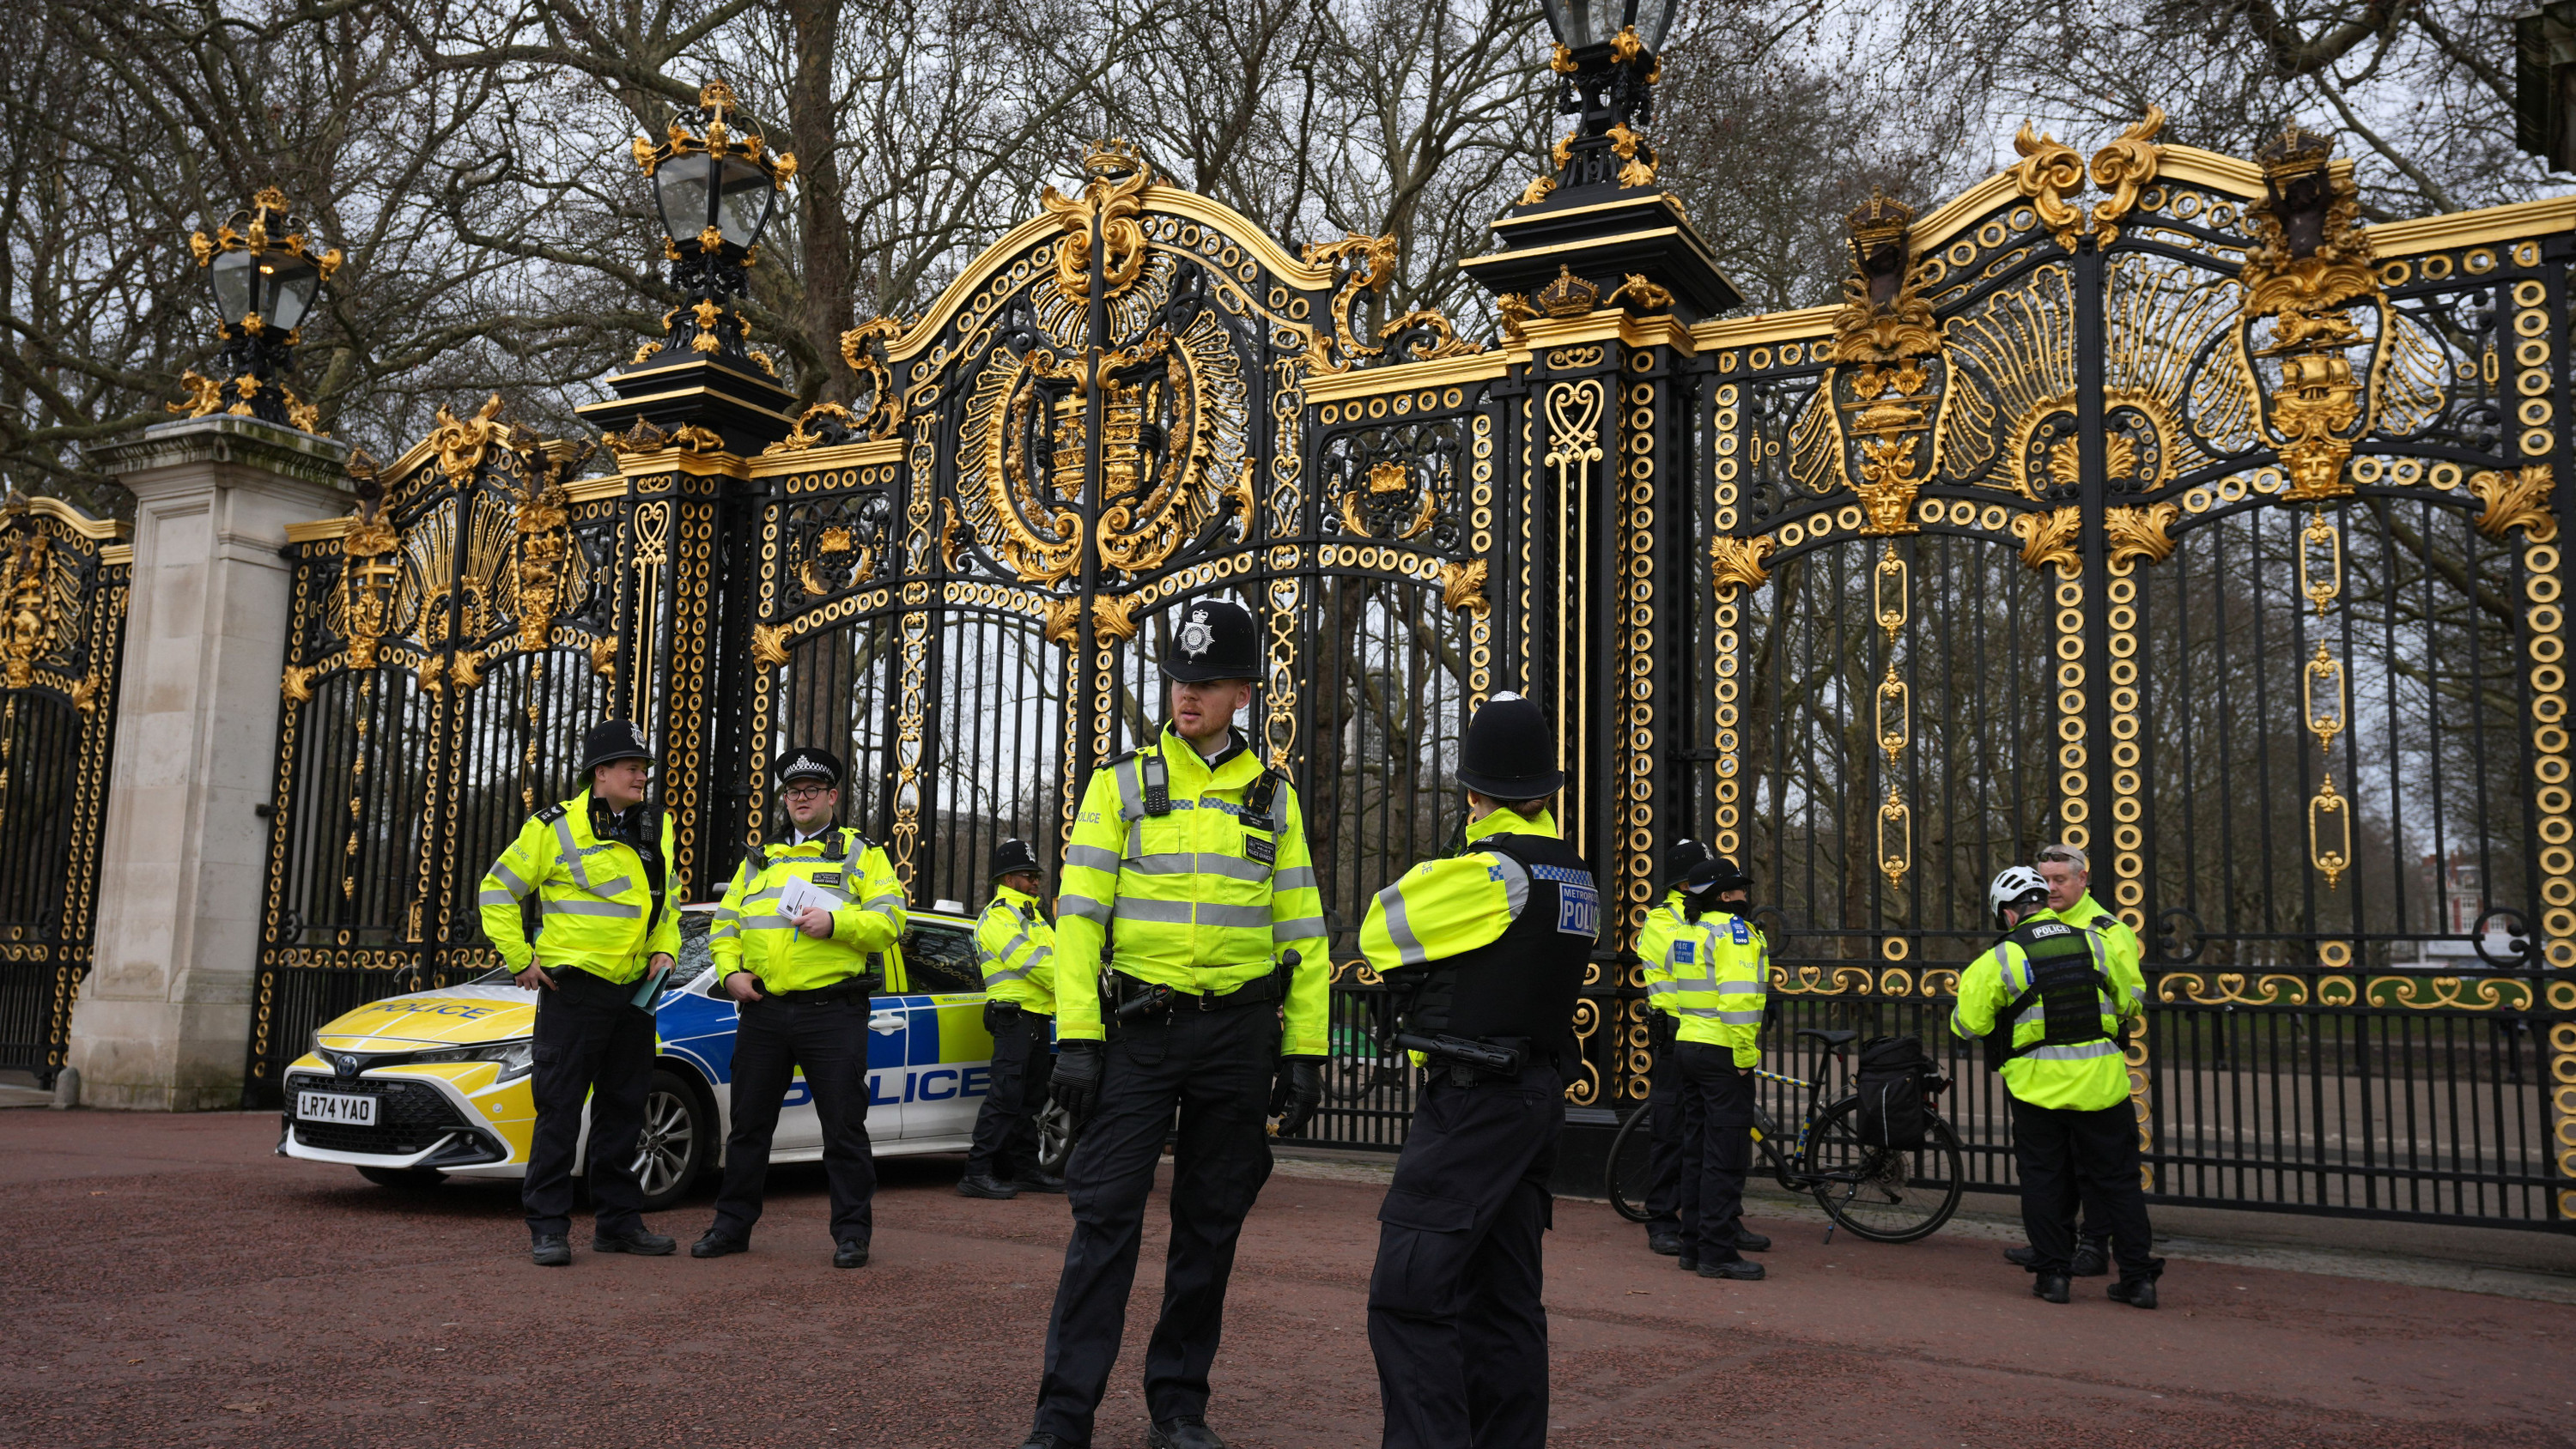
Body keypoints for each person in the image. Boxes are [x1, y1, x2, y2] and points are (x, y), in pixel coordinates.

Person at [1018, 597, 1330, 1449]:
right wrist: (1077, 1038)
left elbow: (1303, 931)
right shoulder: (1118, 785)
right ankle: (1062, 1416)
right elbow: (1078, 921)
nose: (1187, 695)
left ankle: (1179, 1408)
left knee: (1210, 1226)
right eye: (1179, 679)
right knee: (1104, 1218)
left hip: (1239, 1035)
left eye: (1207, 682)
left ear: (1242, 694)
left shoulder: (1273, 798)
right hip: (1141, 1030)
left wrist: (1305, 1050)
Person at [1355, 693, 1596, 1449]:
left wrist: (1452, 863)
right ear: (1547, 790)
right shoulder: (1573, 873)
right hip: (1532, 1100)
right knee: (1504, 1304)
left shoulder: (1494, 873)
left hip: (1473, 1101)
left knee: (1407, 1294)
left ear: (1472, 791)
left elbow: (1380, 929)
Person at [690, 748, 906, 1269]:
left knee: (844, 1128)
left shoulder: (861, 853)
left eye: (811, 790)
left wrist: (838, 924)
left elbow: (892, 921)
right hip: (764, 1010)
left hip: (832, 1011)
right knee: (748, 1127)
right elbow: (725, 925)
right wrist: (729, 973)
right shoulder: (759, 859)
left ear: (833, 796)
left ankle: (852, 1234)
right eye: (792, 791)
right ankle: (731, 1227)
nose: (800, 798)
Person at [477, 718, 680, 1268]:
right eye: (632, 768)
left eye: (644, 768)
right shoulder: (554, 827)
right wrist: (520, 958)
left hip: (635, 994)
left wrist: (666, 949)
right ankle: (548, 1227)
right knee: (560, 1112)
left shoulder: (657, 825)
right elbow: (496, 891)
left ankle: (618, 1224)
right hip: (574, 993)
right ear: (601, 773)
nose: (642, 777)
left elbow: (667, 902)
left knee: (625, 1112)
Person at [1952, 866, 2161, 1307]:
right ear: (2044, 901)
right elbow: (2128, 1004)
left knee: (2044, 1180)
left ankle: (2053, 1277)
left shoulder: (1999, 958)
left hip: (2038, 1091)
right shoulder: (2097, 942)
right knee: (2119, 1182)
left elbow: (1969, 1025)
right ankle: (2139, 1280)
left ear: (2007, 914)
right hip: (2104, 1086)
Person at [2002, 841, 2147, 1277]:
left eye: (2059, 880)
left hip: (2090, 1066)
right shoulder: (2031, 929)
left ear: (2082, 879)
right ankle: (2053, 1246)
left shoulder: (2108, 930)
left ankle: (2094, 1244)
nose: (2050, 888)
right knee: (2054, 1168)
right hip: (2043, 1069)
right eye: (2043, 880)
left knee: (2094, 1168)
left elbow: (2131, 996)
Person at [1654, 854, 1771, 1280]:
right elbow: (1738, 1000)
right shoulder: (1734, 933)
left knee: (1696, 1152)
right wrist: (1744, 1056)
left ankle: (1692, 1245)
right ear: (1724, 896)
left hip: (1688, 1045)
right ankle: (1717, 1253)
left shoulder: (1688, 930)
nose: (1743, 895)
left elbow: (1673, 983)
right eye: (1738, 889)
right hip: (1723, 1053)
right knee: (1725, 1156)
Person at [962, 836, 1062, 1199]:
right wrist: (1074, 981)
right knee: (1005, 1096)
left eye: (1037, 875)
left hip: (1038, 1017)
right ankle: (976, 1172)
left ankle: (1025, 1170)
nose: (1035, 881)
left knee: (1031, 1101)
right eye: (1028, 875)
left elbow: (1056, 957)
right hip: (1013, 1017)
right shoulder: (999, 914)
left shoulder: (1034, 916)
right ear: (1008, 879)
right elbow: (1029, 962)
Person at [1634, 836, 1710, 1257]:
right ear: (1685, 883)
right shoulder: (1662, 920)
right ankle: (1662, 1217)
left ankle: (1715, 1218)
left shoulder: (1714, 916)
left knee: (1715, 1132)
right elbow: (1688, 963)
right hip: (1678, 1033)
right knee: (1671, 1130)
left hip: (1714, 1033)